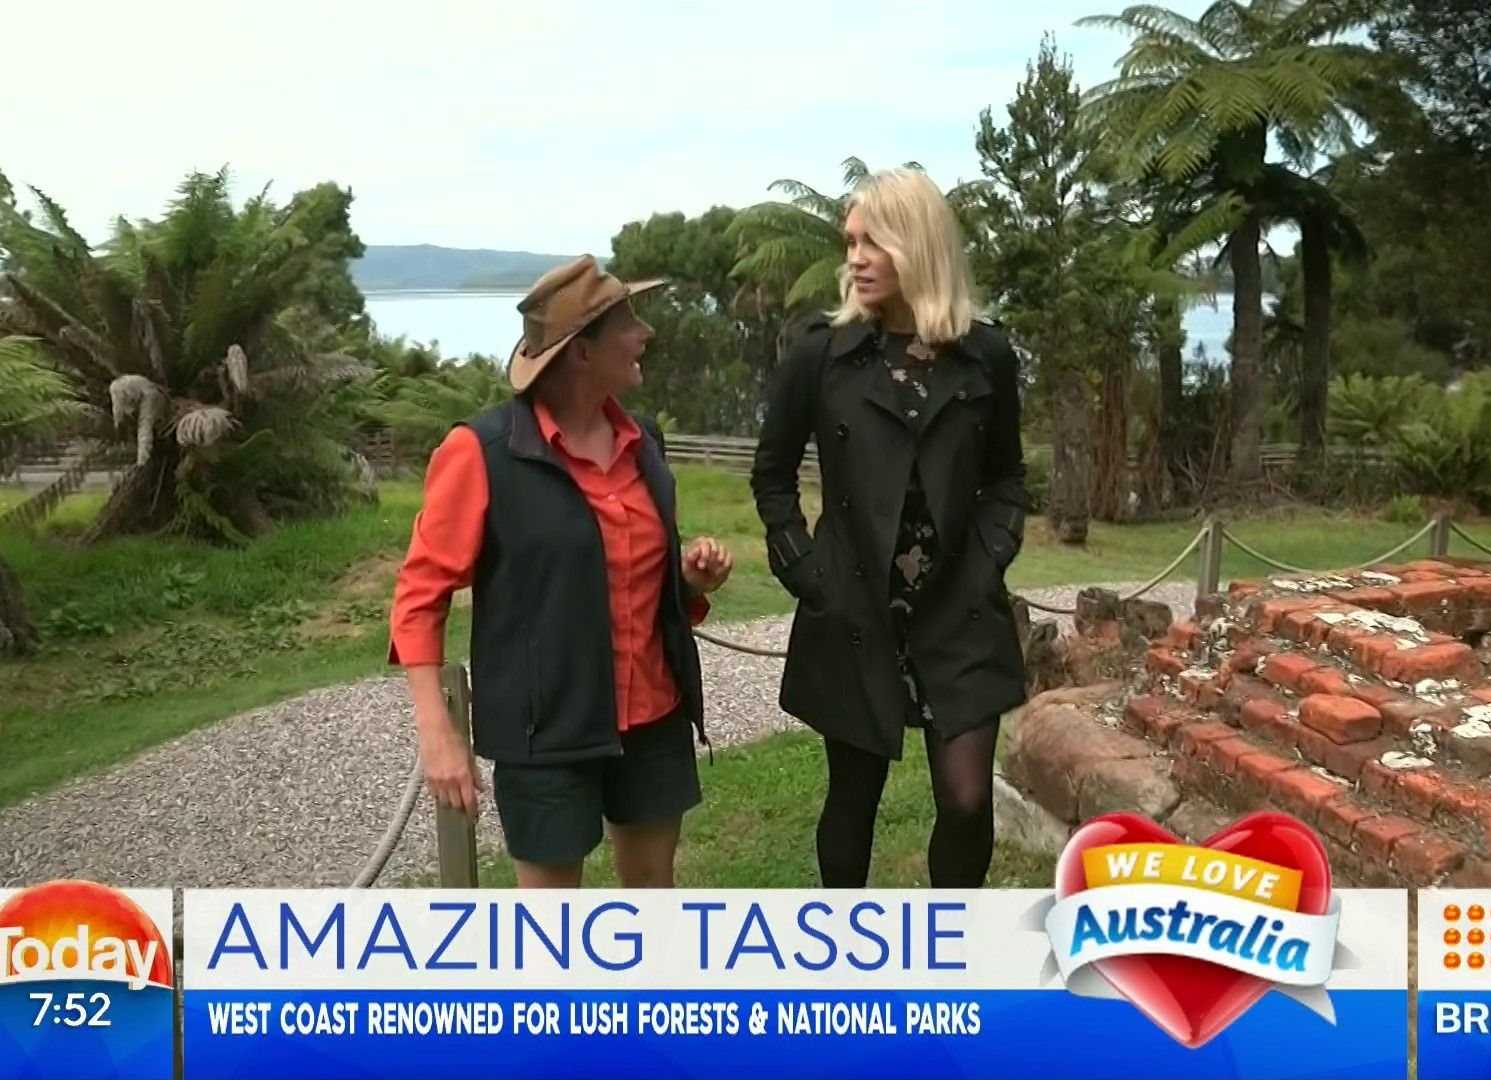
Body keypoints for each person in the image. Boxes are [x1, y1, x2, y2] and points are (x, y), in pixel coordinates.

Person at [389, 255, 733, 889]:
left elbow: (623, 580)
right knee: (553, 930)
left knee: (653, 900)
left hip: (654, 720)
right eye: (628, 322)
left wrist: (689, 582)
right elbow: (418, 596)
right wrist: (437, 734)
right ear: (581, 352)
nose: (646, 333)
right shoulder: (483, 453)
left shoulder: (644, 442)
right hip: (545, 734)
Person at [750, 168, 1029, 889]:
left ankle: (952, 943)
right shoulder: (822, 354)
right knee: (853, 800)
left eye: (873, 242)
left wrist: (990, 557)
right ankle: (847, 947)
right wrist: (808, 572)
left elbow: (1006, 478)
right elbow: (772, 475)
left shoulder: (986, 355)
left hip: (959, 610)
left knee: (966, 801)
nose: (856, 259)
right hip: (854, 609)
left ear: (918, 244)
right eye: (851, 243)